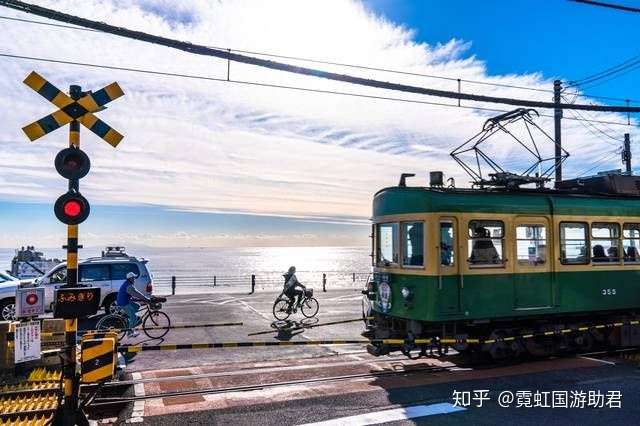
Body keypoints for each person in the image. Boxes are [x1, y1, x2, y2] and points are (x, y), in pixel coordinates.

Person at [117, 272, 151, 337]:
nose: (135, 279)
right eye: (134, 278)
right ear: (131, 278)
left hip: (125, 301)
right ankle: (130, 333)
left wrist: (137, 298)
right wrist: (146, 299)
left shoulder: (127, 284)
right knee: (134, 317)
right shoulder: (129, 286)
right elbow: (137, 293)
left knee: (137, 305)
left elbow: (132, 294)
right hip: (124, 303)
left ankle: (128, 314)